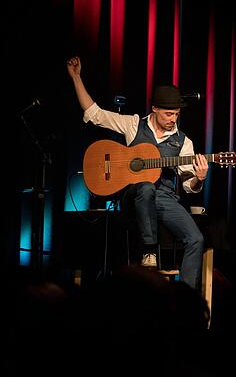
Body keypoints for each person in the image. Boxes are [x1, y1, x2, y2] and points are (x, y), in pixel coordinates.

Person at [66, 56, 207, 289]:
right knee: (146, 186)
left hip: (165, 198)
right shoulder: (134, 125)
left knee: (196, 239)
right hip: (134, 194)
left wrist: (199, 179)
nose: (173, 120)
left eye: (176, 115)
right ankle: (149, 251)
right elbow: (95, 113)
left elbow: (188, 186)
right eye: (168, 114)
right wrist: (76, 78)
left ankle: (186, 299)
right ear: (154, 109)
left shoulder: (184, 143)